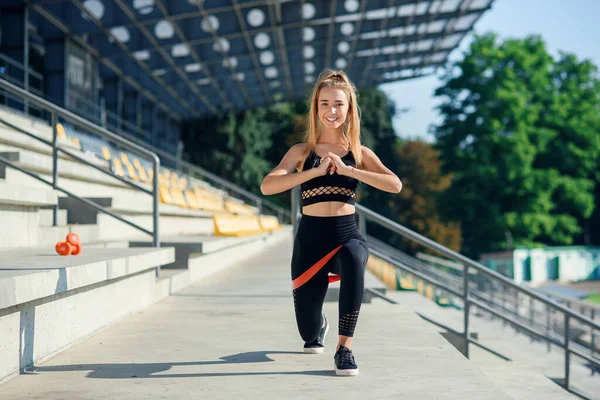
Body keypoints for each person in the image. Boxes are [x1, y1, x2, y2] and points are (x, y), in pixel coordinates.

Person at [260, 69, 402, 376]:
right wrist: (314, 172)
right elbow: (268, 186)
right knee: (307, 333)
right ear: (315, 109)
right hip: (310, 239)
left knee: (352, 258)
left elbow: (395, 185)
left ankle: (345, 348)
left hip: (345, 233)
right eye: (324, 104)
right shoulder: (301, 152)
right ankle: (319, 327)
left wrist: (350, 171)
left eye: (338, 104)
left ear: (349, 108)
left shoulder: (359, 153)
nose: (331, 111)